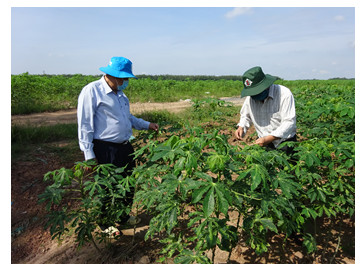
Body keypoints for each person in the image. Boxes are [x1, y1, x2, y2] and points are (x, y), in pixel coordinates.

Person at [77, 56, 159, 234]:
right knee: (108, 187)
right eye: (124, 78)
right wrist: (89, 156)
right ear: (112, 75)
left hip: (125, 147)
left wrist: (147, 125)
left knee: (127, 185)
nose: (126, 82)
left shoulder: (121, 95)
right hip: (105, 149)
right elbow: (85, 125)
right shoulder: (92, 90)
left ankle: (122, 216)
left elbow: (128, 118)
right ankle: (105, 224)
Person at [235, 66, 297, 155]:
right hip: (263, 143)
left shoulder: (284, 94)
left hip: (285, 142)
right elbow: (246, 116)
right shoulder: (250, 98)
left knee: (288, 167)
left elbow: (289, 122)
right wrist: (241, 127)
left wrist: (270, 138)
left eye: (256, 92)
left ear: (266, 86)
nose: (254, 96)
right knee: (265, 168)